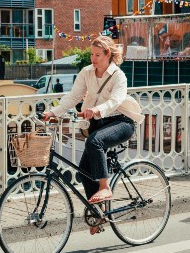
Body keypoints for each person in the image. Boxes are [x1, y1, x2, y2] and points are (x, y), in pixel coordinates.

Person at [42, 35, 140, 233]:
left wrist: (97, 110)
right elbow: (74, 96)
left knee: (95, 142)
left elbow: (116, 100)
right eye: (91, 54)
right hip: (98, 123)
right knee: (84, 171)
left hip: (121, 122)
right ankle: (99, 214)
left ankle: (105, 187)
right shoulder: (86, 73)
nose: (93, 59)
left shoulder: (118, 76)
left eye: (97, 55)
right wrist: (53, 112)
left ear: (108, 55)